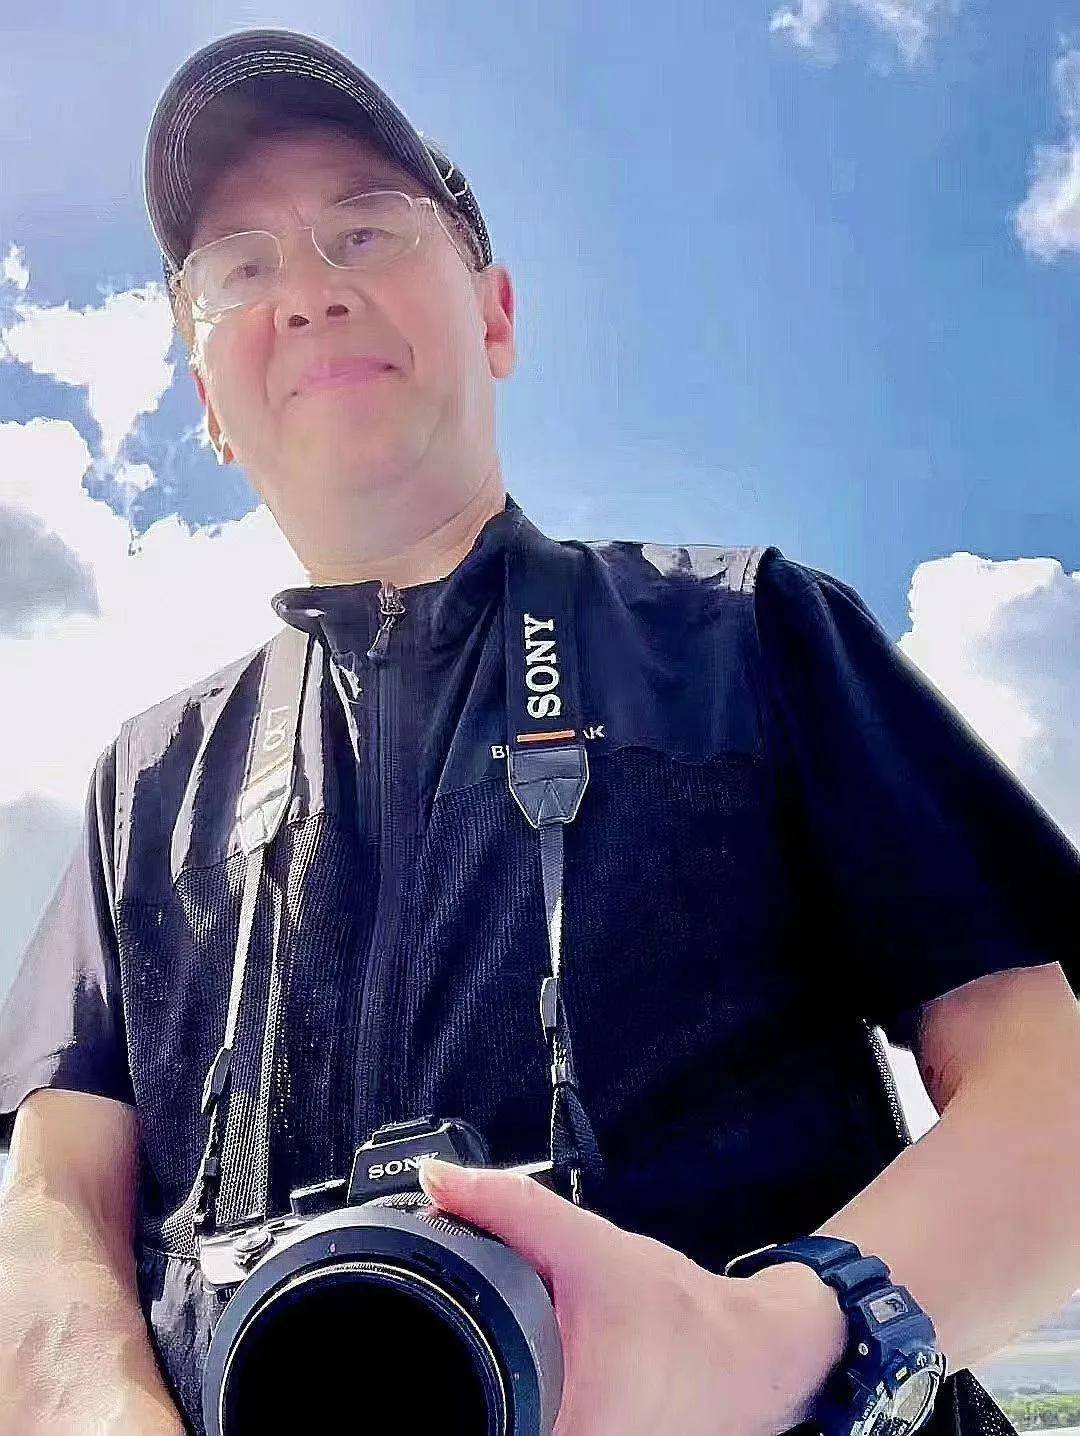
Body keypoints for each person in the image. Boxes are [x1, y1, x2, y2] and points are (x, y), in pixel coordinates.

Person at [2, 26, 1080, 1436]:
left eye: (365, 230)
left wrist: (768, 1336)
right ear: (204, 399)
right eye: (239, 269)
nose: (309, 292)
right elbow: (50, 1202)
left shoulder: (746, 635)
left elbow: (1049, 1078)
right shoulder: (139, 791)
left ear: (496, 315)